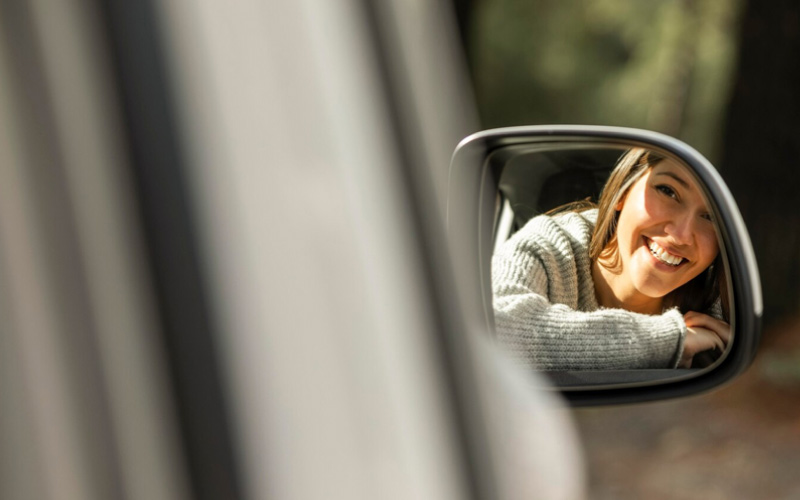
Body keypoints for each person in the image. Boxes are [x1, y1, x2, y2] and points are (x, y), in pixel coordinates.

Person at [492, 148, 730, 370]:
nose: (681, 235)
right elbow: (496, 327)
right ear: (622, 191)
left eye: (711, 216)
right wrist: (670, 340)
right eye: (668, 191)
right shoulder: (548, 244)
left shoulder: (719, 302)